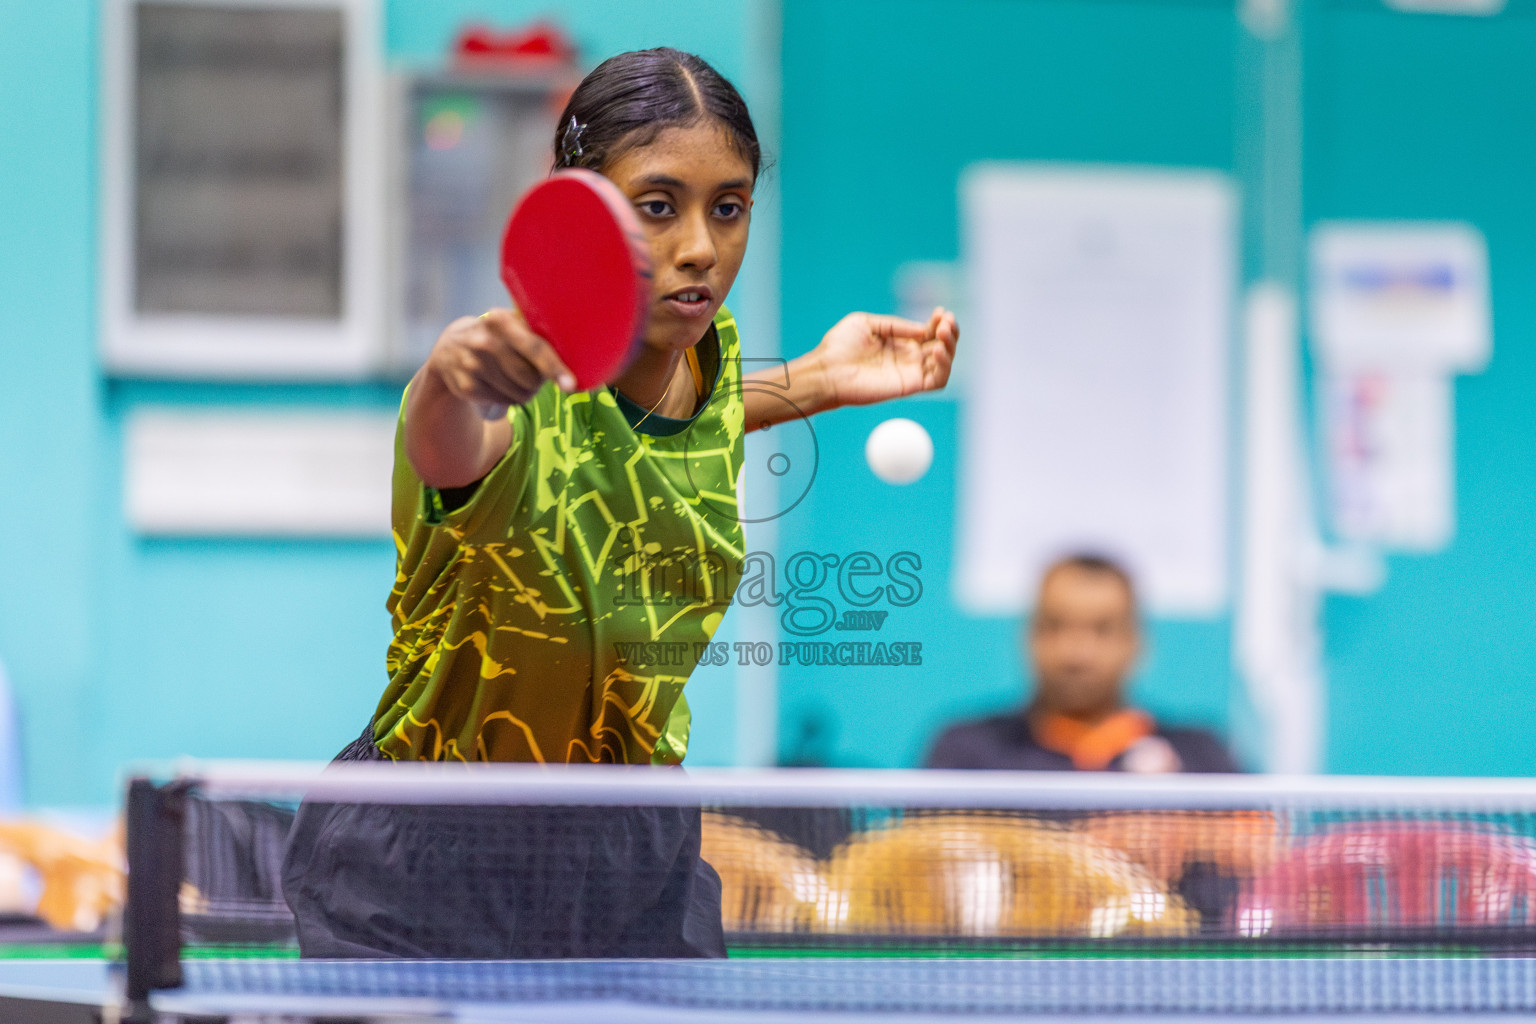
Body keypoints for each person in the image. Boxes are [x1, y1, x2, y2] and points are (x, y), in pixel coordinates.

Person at [282, 47, 959, 959]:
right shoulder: (511, 392)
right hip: (436, 846)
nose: (700, 247)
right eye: (658, 206)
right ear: (585, 212)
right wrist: (447, 375)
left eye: (728, 207)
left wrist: (819, 379)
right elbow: (453, 449)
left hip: (631, 843)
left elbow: (679, 426)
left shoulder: (710, 363)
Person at [925, 555, 1237, 773]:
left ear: (1136, 642)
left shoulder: (1200, 757)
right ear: (1028, 635)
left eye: (1102, 630)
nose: (1076, 653)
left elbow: (1251, 839)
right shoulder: (968, 753)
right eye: (1055, 626)